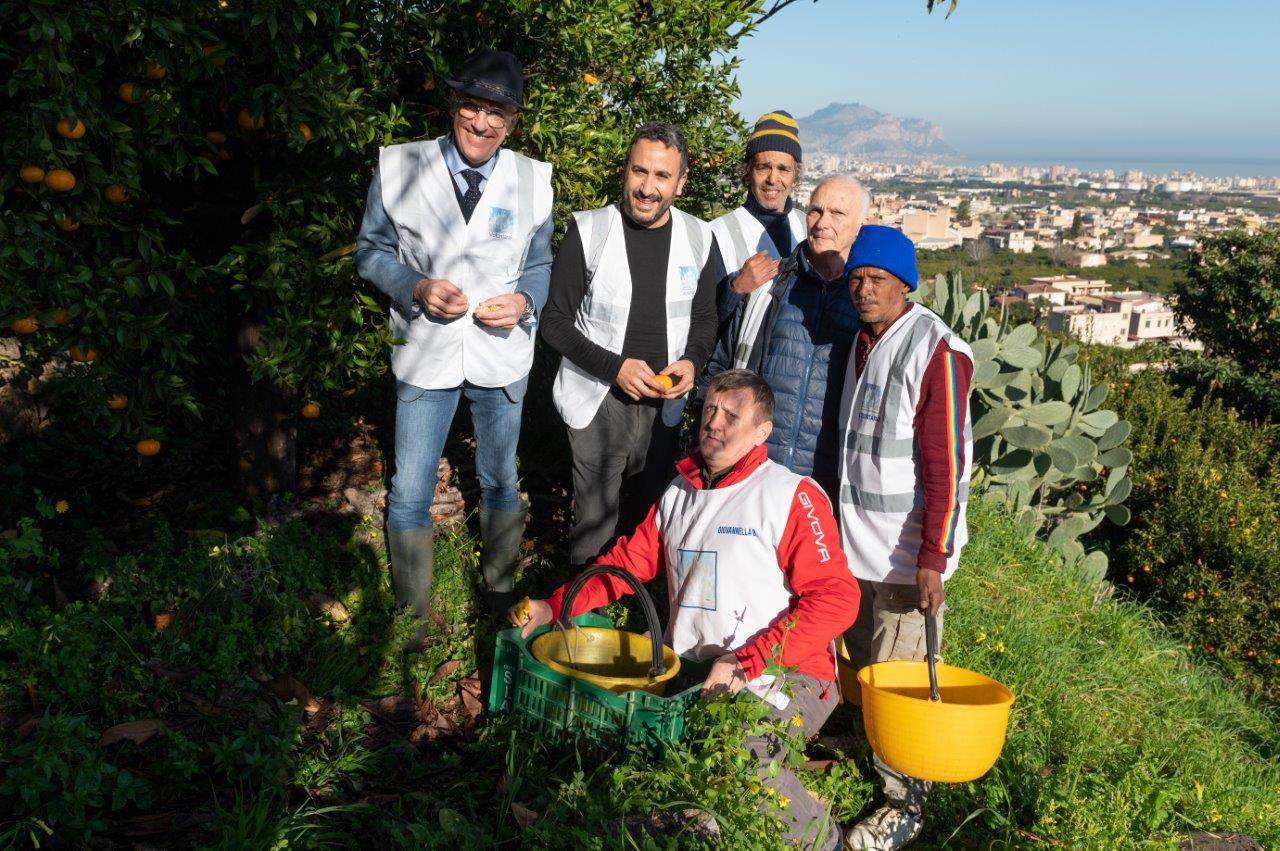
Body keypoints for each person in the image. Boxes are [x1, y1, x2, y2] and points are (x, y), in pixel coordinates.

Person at [513, 370, 860, 851]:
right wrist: (555, 606)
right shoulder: (679, 492)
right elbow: (627, 563)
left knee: (744, 759)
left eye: (731, 415)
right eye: (709, 411)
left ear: (762, 431)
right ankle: (690, 827)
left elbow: (837, 599)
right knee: (641, 762)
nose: (713, 423)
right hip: (696, 675)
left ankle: (828, 843)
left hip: (792, 674)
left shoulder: (789, 495)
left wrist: (748, 659)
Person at [354, 47, 554, 644]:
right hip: (426, 350)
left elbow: (541, 264)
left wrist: (524, 303)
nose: (483, 124)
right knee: (411, 488)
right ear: (453, 104)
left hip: (502, 354)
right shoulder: (400, 167)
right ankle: (413, 617)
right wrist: (413, 285)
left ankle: (497, 595)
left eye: (499, 114)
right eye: (473, 106)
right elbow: (370, 251)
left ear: (513, 122)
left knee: (498, 477)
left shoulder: (532, 180)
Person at [836, 226, 974, 850]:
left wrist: (933, 558)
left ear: (905, 285)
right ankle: (866, 766)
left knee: (901, 682)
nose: (864, 290)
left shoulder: (937, 352)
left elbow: (947, 463)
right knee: (863, 665)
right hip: (858, 544)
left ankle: (904, 807)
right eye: (858, 279)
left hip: (906, 554)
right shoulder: (863, 342)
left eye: (878, 281)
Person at [541, 122, 723, 569]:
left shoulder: (700, 238)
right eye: (639, 171)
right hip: (599, 399)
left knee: (649, 519)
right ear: (625, 172)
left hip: (665, 403)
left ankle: (633, 609)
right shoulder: (589, 231)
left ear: (680, 184)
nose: (647, 187)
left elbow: (704, 318)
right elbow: (553, 322)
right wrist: (615, 368)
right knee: (594, 522)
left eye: (662, 176)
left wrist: (693, 363)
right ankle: (584, 618)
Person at [700, 175, 870, 500]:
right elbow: (723, 365)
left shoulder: (865, 299)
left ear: (861, 225)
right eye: (816, 211)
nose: (822, 223)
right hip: (754, 472)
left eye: (837, 214)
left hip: (828, 481)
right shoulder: (770, 284)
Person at [709, 110, 807, 325]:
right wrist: (735, 289)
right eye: (763, 167)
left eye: (783, 169)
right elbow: (704, 324)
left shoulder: (808, 226)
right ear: (747, 172)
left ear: (795, 177)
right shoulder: (717, 233)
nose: (773, 179)